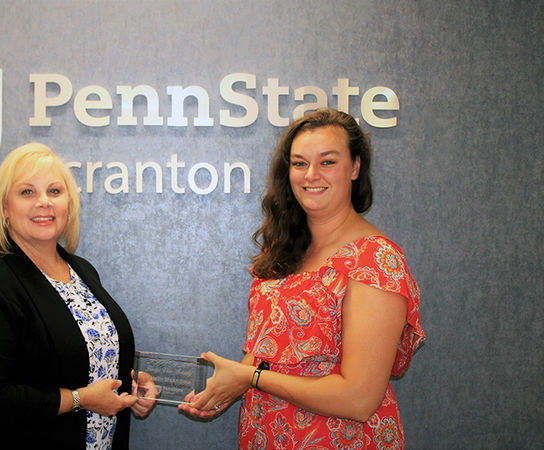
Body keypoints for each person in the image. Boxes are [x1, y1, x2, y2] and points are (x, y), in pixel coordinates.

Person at [179, 109, 425, 449]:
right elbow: (268, 346)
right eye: (299, 163)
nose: (311, 175)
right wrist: (230, 384)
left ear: (355, 168)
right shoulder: (284, 249)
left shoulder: (375, 261)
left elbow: (359, 398)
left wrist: (252, 378)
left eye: (327, 162)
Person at [0, 142, 155, 449]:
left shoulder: (82, 271)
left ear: (69, 204)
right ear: (5, 208)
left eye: (55, 191)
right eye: (27, 192)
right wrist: (79, 400)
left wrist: (129, 387)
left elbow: (83, 357)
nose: (44, 202)